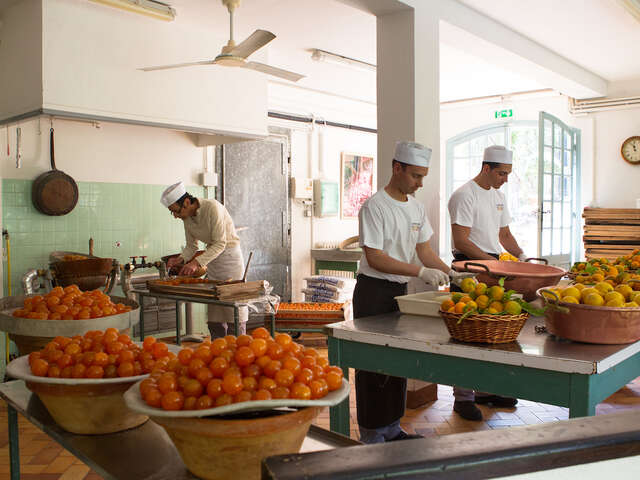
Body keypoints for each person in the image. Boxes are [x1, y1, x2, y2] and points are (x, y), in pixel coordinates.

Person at [354, 140, 472, 444]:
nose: (420, 184)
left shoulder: (416, 208)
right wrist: (420, 272)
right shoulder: (375, 206)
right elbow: (375, 257)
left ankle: (392, 427)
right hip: (372, 292)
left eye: (423, 177)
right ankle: (371, 434)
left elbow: (424, 250)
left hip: (398, 293)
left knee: (396, 362)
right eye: (416, 176)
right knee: (373, 364)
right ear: (397, 168)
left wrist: (450, 272)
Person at [447, 145, 527, 421]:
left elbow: (504, 233)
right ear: (486, 169)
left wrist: (521, 256)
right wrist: (491, 265)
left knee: (491, 335)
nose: (505, 179)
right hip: (468, 267)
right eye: (502, 173)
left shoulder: (498, 196)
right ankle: (463, 398)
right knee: (465, 337)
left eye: (508, 174)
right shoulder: (464, 196)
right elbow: (461, 241)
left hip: (492, 267)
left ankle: (485, 390)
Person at [160, 181, 247, 338]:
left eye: (176, 211)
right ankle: (217, 351)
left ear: (186, 202)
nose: (175, 216)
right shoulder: (186, 218)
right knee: (215, 315)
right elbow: (191, 247)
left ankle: (238, 350)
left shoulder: (212, 207)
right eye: (172, 212)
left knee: (233, 310)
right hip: (213, 260)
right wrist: (179, 259)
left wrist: (195, 263)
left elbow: (220, 243)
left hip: (229, 259)